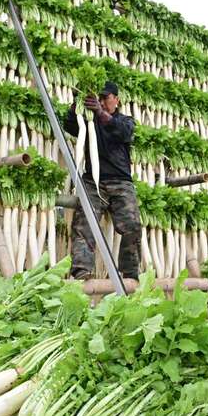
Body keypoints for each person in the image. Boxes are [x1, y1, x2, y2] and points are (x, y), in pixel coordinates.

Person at [63, 81, 141, 281]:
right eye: (100, 98)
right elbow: (69, 124)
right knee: (84, 222)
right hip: (93, 181)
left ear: (117, 100)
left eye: (106, 98)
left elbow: (123, 132)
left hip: (121, 182)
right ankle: (81, 270)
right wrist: (76, 104)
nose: (102, 102)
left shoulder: (125, 120)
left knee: (132, 225)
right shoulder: (89, 121)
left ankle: (130, 272)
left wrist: (100, 113)